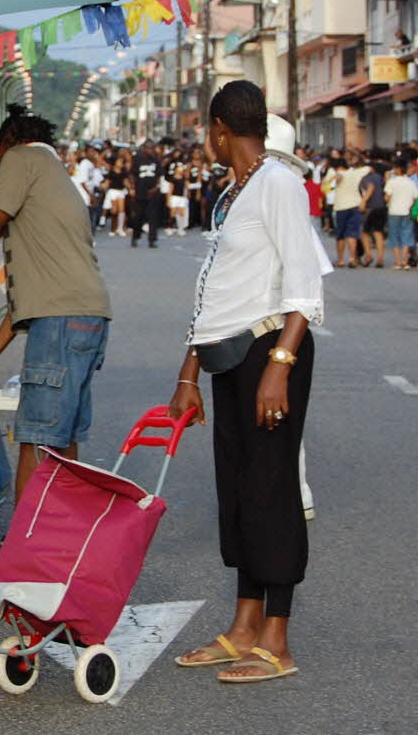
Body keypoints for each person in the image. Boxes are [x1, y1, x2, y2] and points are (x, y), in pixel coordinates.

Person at [169, 81, 331, 683]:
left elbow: (305, 282)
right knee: (237, 490)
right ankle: (242, 627)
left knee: (271, 489)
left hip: (270, 353)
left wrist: (279, 368)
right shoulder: (235, 192)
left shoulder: (280, 184)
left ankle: (277, 639)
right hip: (230, 356)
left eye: (205, 134)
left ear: (219, 128)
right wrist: (188, 373)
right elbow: (215, 292)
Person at [0, 105, 112, 583]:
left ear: (7, 143)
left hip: (63, 321)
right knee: (61, 441)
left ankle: (23, 551)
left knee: (36, 440)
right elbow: (22, 301)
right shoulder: (57, 178)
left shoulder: (22, 161)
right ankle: (61, 546)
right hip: (84, 319)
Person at [332, 153, 366, 268]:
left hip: (341, 206)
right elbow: (369, 168)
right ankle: (352, 258)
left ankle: (340, 259)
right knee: (352, 233)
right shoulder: (356, 172)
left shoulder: (339, 173)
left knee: (341, 234)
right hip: (355, 205)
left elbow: (339, 178)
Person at [384, 160, 418, 270]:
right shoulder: (411, 182)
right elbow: (416, 198)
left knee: (394, 236)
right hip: (407, 211)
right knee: (407, 235)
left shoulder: (391, 182)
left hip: (394, 211)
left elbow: (387, 197)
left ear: (397, 170)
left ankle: (397, 261)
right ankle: (405, 261)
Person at [130, 141, 164, 248]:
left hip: (153, 193)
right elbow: (132, 174)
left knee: (153, 217)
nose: (150, 150)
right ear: (144, 148)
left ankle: (152, 240)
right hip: (140, 192)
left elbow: (159, 176)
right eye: (148, 148)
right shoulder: (137, 159)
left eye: (152, 148)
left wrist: (155, 188)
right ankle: (135, 237)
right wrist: (132, 187)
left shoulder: (156, 161)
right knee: (138, 216)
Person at [358, 159, 387, 268]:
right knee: (378, 233)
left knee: (365, 232)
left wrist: (363, 202)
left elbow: (370, 188)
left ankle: (368, 255)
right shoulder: (379, 177)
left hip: (371, 207)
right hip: (381, 207)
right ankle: (380, 258)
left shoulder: (365, 178)